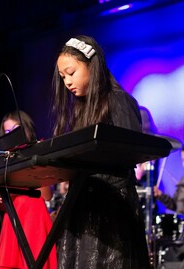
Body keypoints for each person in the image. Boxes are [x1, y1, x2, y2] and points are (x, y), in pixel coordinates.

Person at [51, 35, 150, 269]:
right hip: (83, 208)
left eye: (71, 72)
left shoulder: (118, 100)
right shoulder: (79, 110)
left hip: (111, 210)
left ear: (91, 65)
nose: (66, 82)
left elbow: (128, 154)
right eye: (63, 77)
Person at [0, 110, 57, 269]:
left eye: (16, 129)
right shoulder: (4, 160)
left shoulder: (37, 150)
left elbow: (47, 196)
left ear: (26, 129)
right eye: (7, 132)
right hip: (13, 219)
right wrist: (0, 197)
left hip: (33, 217)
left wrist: (36, 163)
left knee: (34, 261)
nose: (11, 134)